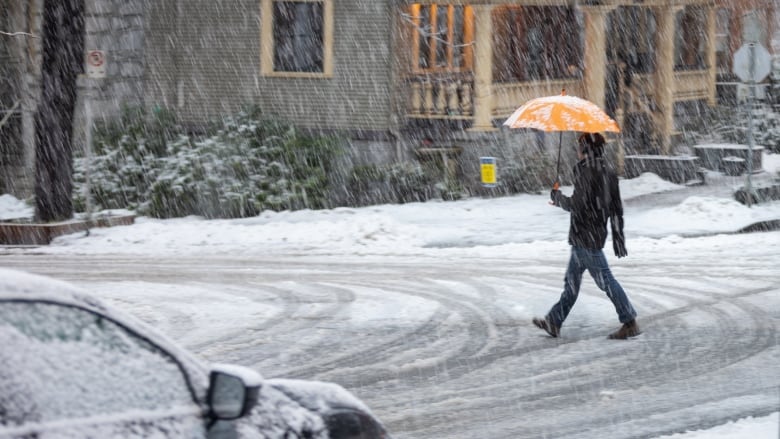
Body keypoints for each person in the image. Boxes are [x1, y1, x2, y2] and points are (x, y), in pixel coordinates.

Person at [532, 132, 640, 340]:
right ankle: (554, 322)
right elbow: (616, 208)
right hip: (590, 236)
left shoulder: (588, 172)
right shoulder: (608, 172)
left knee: (606, 281)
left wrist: (557, 197)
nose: (578, 152)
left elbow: (577, 205)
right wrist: (618, 236)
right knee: (571, 284)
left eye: (580, 148)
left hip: (586, 239)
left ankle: (629, 321)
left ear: (587, 150)